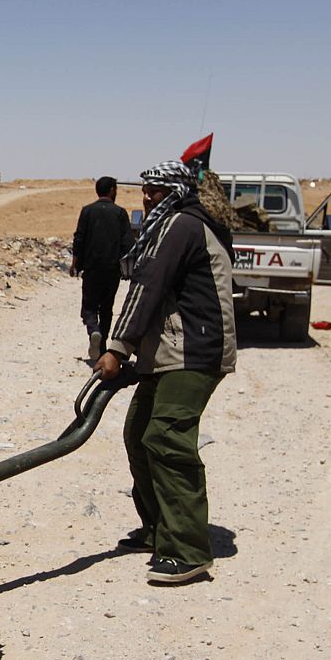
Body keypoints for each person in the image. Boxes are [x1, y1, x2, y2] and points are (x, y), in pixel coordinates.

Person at [96, 161, 236, 586]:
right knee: (139, 433)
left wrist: (117, 347)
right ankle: (159, 529)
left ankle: (188, 550)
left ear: (176, 191)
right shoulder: (171, 225)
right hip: (170, 351)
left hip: (194, 352)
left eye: (156, 190)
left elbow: (148, 287)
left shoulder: (182, 226)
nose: (148, 197)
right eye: (145, 190)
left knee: (166, 438)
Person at [69, 175, 134, 361]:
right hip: (112, 270)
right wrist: (127, 268)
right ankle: (103, 345)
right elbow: (127, 243)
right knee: (106, 308)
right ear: (112, 190)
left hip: (91, 268)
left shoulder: (87, 211)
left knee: (89, 306)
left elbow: (79, 239)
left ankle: (93, 331)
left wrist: (75, 264)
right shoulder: (120, 213)